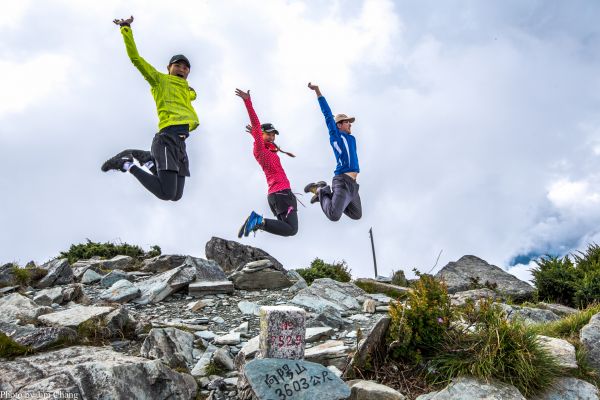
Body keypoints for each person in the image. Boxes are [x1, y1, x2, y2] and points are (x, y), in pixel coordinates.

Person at [101, 15, 199, 201]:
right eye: (177, 65)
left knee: (176, 196)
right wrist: (125, 29)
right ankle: (125, 164)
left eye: (186, 68)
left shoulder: (187, 90)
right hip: (167, 138)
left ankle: (146, 158)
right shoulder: (159, 80)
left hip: (181, 143)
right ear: (169, 67)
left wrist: (193, 93)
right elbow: (135, 58)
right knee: (166, 193)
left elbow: (191, 96)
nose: (182, 69)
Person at [235, 88, 298, 238]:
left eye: (273, 135)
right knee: (291, 230)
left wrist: (254, 135)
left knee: (288, 229)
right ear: (260, 134)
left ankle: (258, 222)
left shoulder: (268, 150)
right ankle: (257, 221)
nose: (271, 137)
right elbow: (257, 126)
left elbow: (264, 141)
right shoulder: (260, 150)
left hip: (277, 195)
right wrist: (247, 101)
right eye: (268, 134)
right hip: (281, 193)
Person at [304, 82, 362, 221]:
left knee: (357, 214)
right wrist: (318, 91)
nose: (350, 124)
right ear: (339, 125)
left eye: (350, 122)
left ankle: (328, 195)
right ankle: (321, 191)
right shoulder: (336, 136)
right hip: (342, 180)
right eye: (347, 122)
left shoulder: (351, 138)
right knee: (334, 215)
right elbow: (328, 115)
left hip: (353, 185)